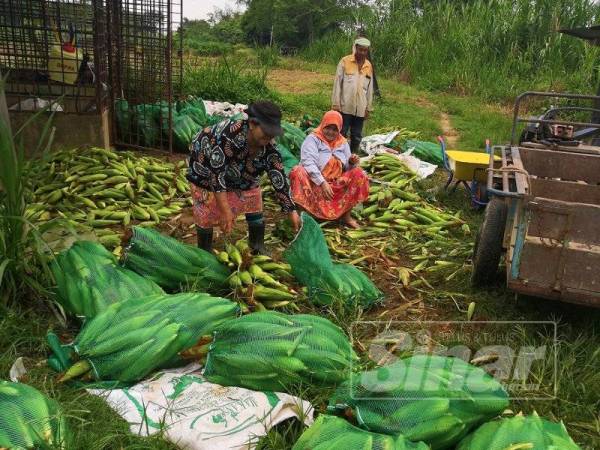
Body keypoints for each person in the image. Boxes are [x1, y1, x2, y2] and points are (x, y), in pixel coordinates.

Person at [186, 101, 300, 254]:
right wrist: (226, 211)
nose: (270, 136)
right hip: (206, 164)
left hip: (242, 171)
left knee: (252, 194)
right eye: (266, 131)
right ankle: (204, 249)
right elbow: (216, 176)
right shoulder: (229, 135)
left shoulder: (269, 147)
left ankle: (257, 245)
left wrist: (291, 210)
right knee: (206, 200)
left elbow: (277, 176)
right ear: (252, 124)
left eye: (272, 132)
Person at [289, 110, 370, 228]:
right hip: (315, 183)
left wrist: (351, 162)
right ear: (323, 125)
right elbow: (308, 162)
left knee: (358, 173)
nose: (330, 132)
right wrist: (322, 182)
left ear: (339, 129)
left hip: (334, 185)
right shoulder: (313, 139)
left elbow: (347, 168)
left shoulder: (342, 142)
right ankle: (303, 215)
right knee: (298, 171)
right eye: (328, 128)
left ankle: (346, 216)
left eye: (335, 129)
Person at [332, 37, 374, 153]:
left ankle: (352, 155)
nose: (362, 53)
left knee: (356, 135)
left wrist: (368, 108)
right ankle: (338, 155)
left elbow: (369, 88)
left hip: (360, 108)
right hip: (345, 107)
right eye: (360, 50)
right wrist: (336, 104)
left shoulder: (368, 65)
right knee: (342, 133)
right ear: (355, 48)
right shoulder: (345, 61)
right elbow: (337, 84)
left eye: (365, 50)